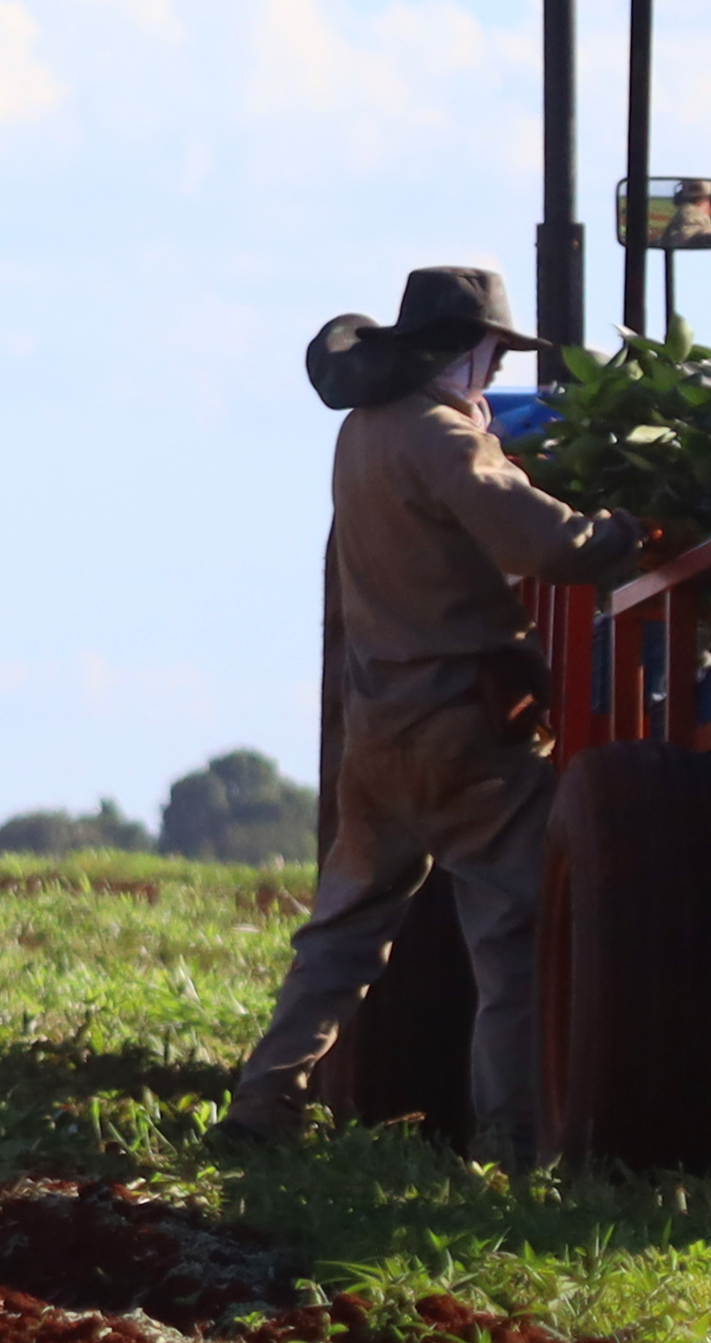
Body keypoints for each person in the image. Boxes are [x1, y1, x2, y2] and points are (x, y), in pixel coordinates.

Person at [222, 268, 651, 1166]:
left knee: (343, 932)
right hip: (465, 731)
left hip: (378, 727)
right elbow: (546, 544)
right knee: (513, 939)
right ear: (466, 350)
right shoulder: (443, 441)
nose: (494, 374)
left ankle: (265, 1100)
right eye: (492, 354)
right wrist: (624, 529)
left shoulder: (363, 433)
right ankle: (516, 1140)